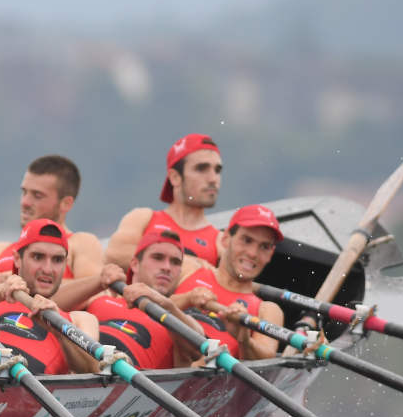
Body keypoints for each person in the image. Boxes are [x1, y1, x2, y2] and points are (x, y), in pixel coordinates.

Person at [0, 219, 101, 375]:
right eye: (38, 257)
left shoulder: (79, 320)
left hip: (43, 394)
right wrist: (0, 291)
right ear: (17, 259)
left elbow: (92, 369)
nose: (47, 269)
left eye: (57, 260)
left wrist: (59, 332)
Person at [0, 154, 103, 309]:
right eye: (24, 192)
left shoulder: (81, 242)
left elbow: (93, 294)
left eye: (37, 195)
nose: (25, 202)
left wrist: (24, 280)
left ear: (65, 204)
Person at [173, 204, 285, 361]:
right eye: (246, 240)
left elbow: (263, 366)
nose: (253, 253)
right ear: (225, 239)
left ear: (270, 255)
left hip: (201, 381)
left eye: (264, 247)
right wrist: (188, 298)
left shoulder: (268, 310)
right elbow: (146, 297)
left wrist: (243, 339)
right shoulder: (188, 267)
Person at [83, 230, 204, 370]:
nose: (167, 267)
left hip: (130, 385)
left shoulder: (179, 318)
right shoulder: (100, 296)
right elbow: (53, 302)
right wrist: (98, 281)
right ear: (134, 264)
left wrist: (166, 305)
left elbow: (197, 349)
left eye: (175, 262)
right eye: (158, 257)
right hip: (79, 370)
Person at [104, 134, 223, 273]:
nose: (213, 179)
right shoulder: (143, 218)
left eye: (217, 170)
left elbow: (239, 287)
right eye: (202, 168)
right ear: (175, 177)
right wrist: (186, 264)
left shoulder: (220, 241)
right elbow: (115, 254)